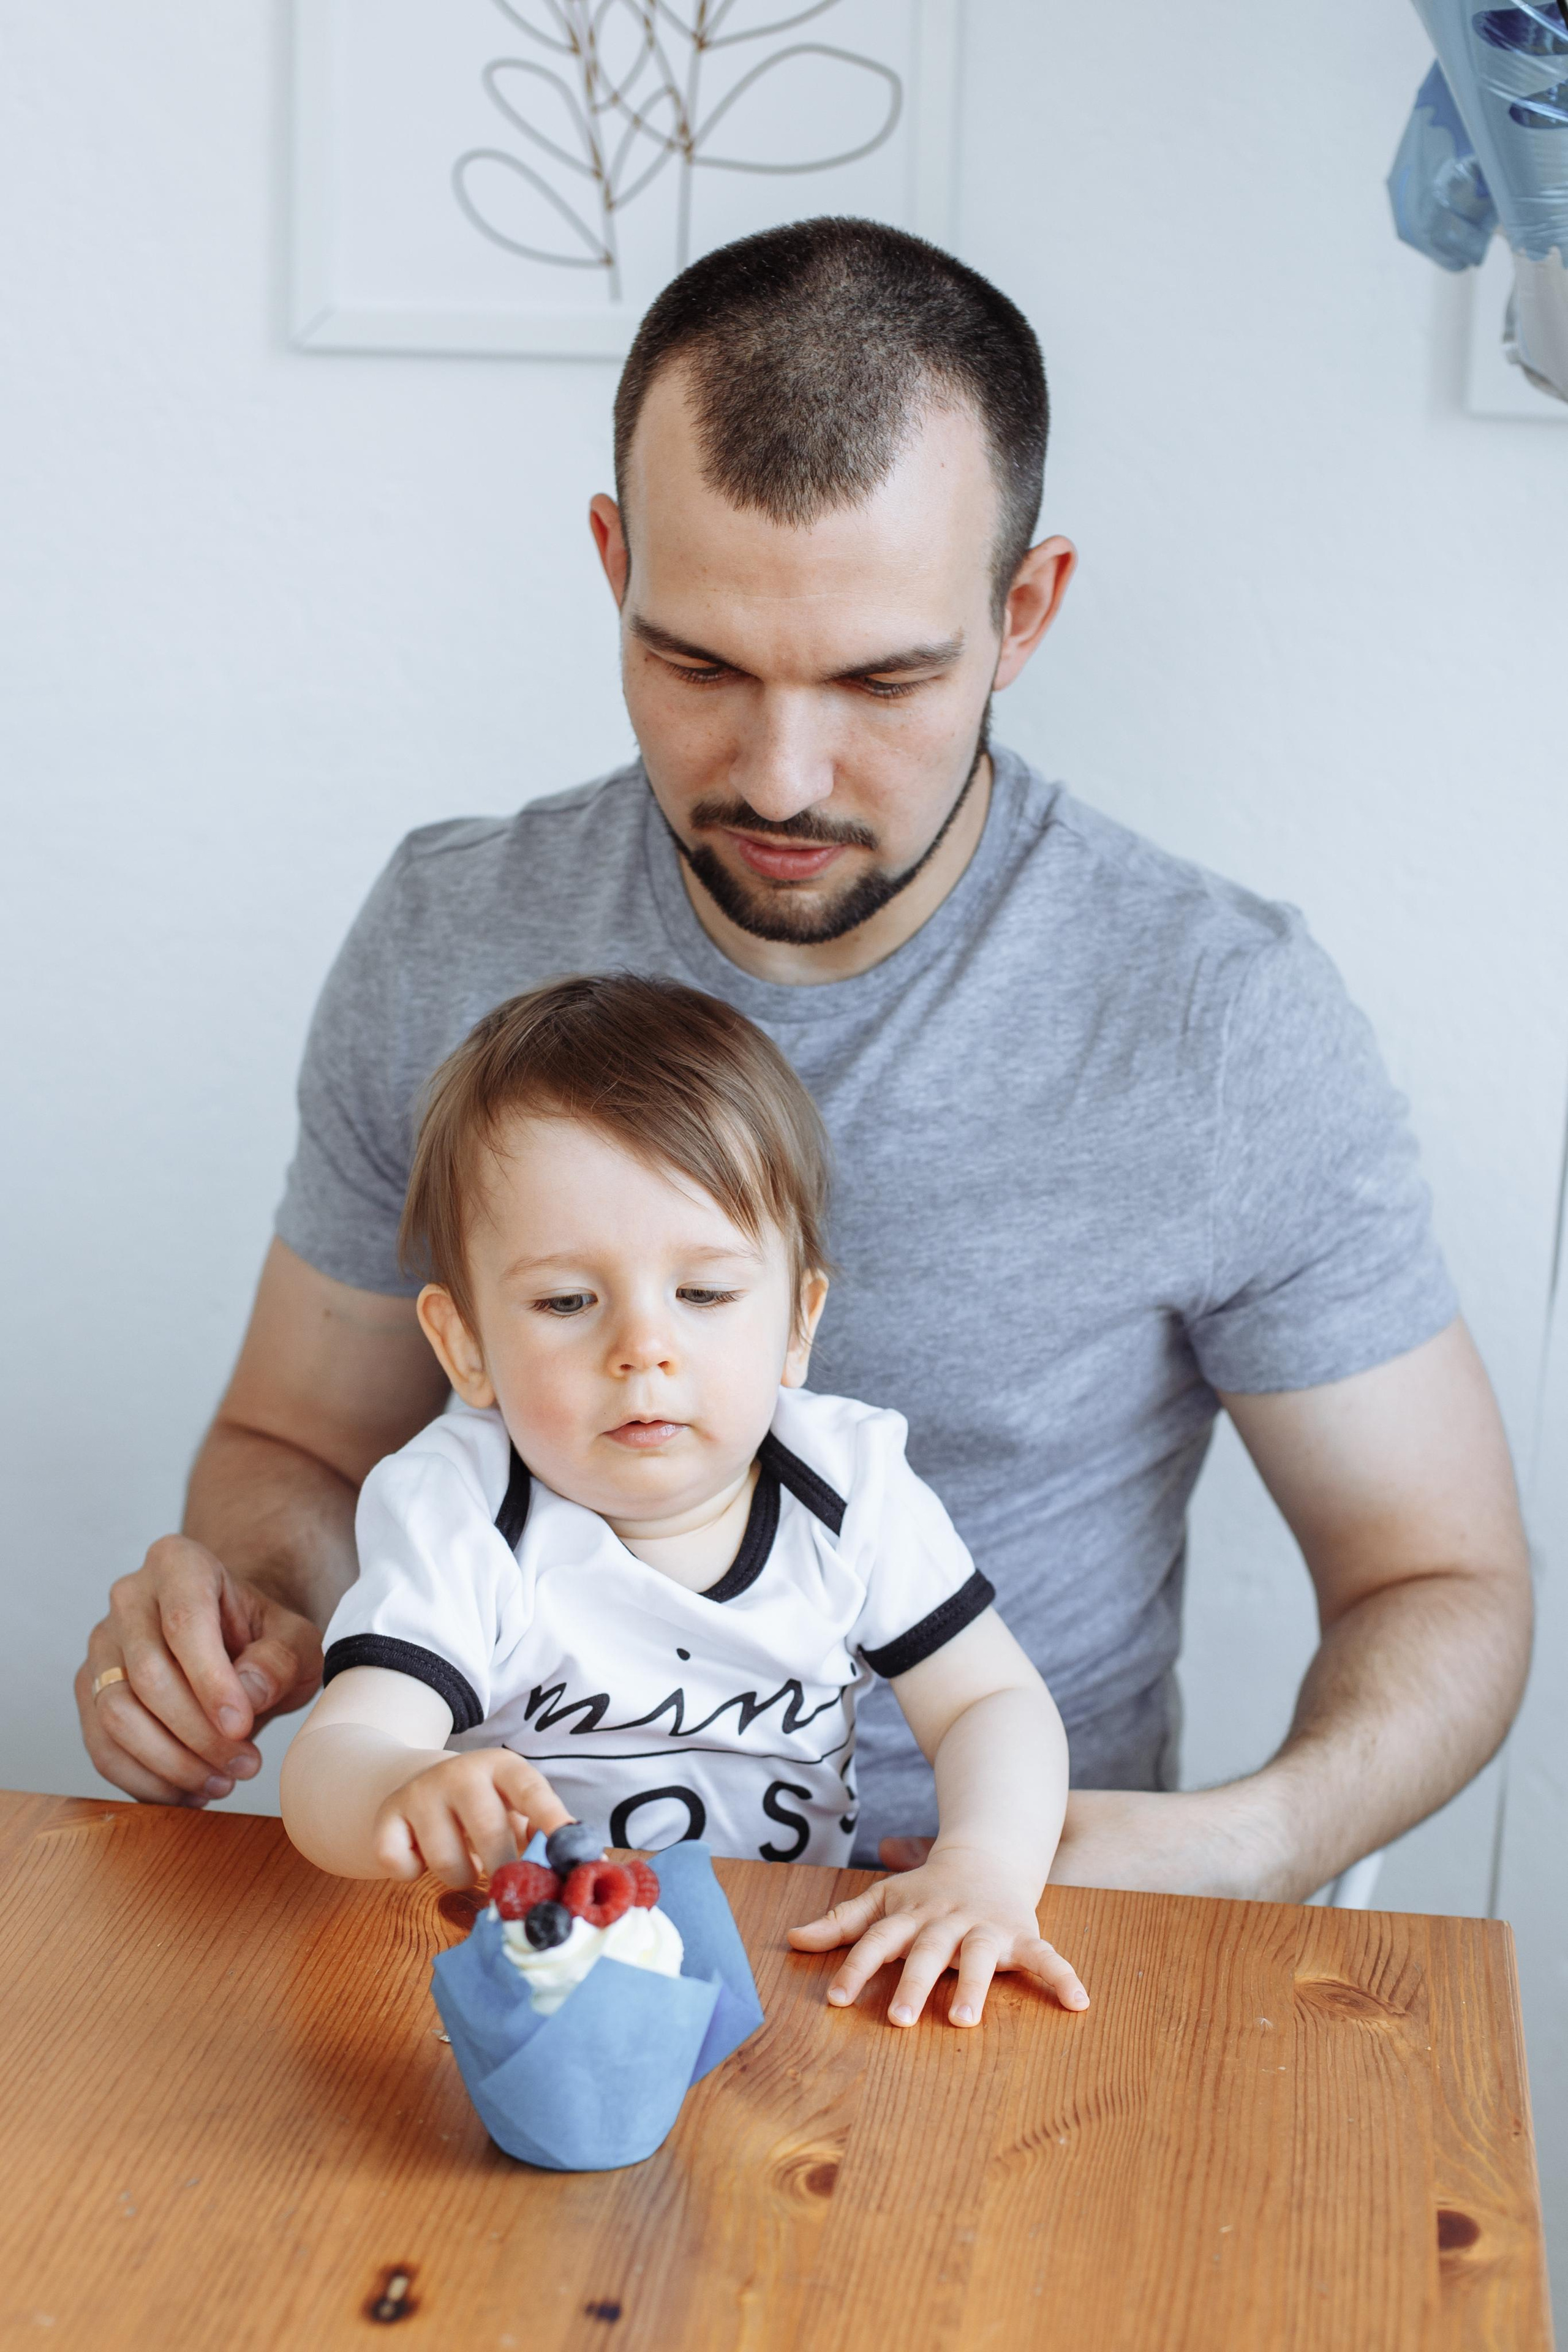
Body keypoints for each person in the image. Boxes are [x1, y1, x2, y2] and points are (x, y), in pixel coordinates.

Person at [79, 217, 1531, 1901]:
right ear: (614, 564)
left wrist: (1263, 1834)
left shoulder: (1213, 1015)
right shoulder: (449, 933)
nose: (778, 774)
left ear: (1026, 612)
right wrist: (252, 1614)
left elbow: (1442, 1577)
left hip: (974, 1936)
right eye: (696, 661)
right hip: (506, 1913)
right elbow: (298, 1450)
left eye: (884, 677)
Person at [280, 974, 1089, 2030]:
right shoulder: (460, 1507)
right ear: (465, 1344)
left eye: (705, 1295)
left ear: (797, 1324)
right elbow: (330, 1762)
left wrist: (984, 1868)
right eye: (568, 1302)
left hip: (784, 1968)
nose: (643, 1350)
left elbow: (993, 1703)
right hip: (538, 1983)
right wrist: (396, 1786)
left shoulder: (850, 1485)